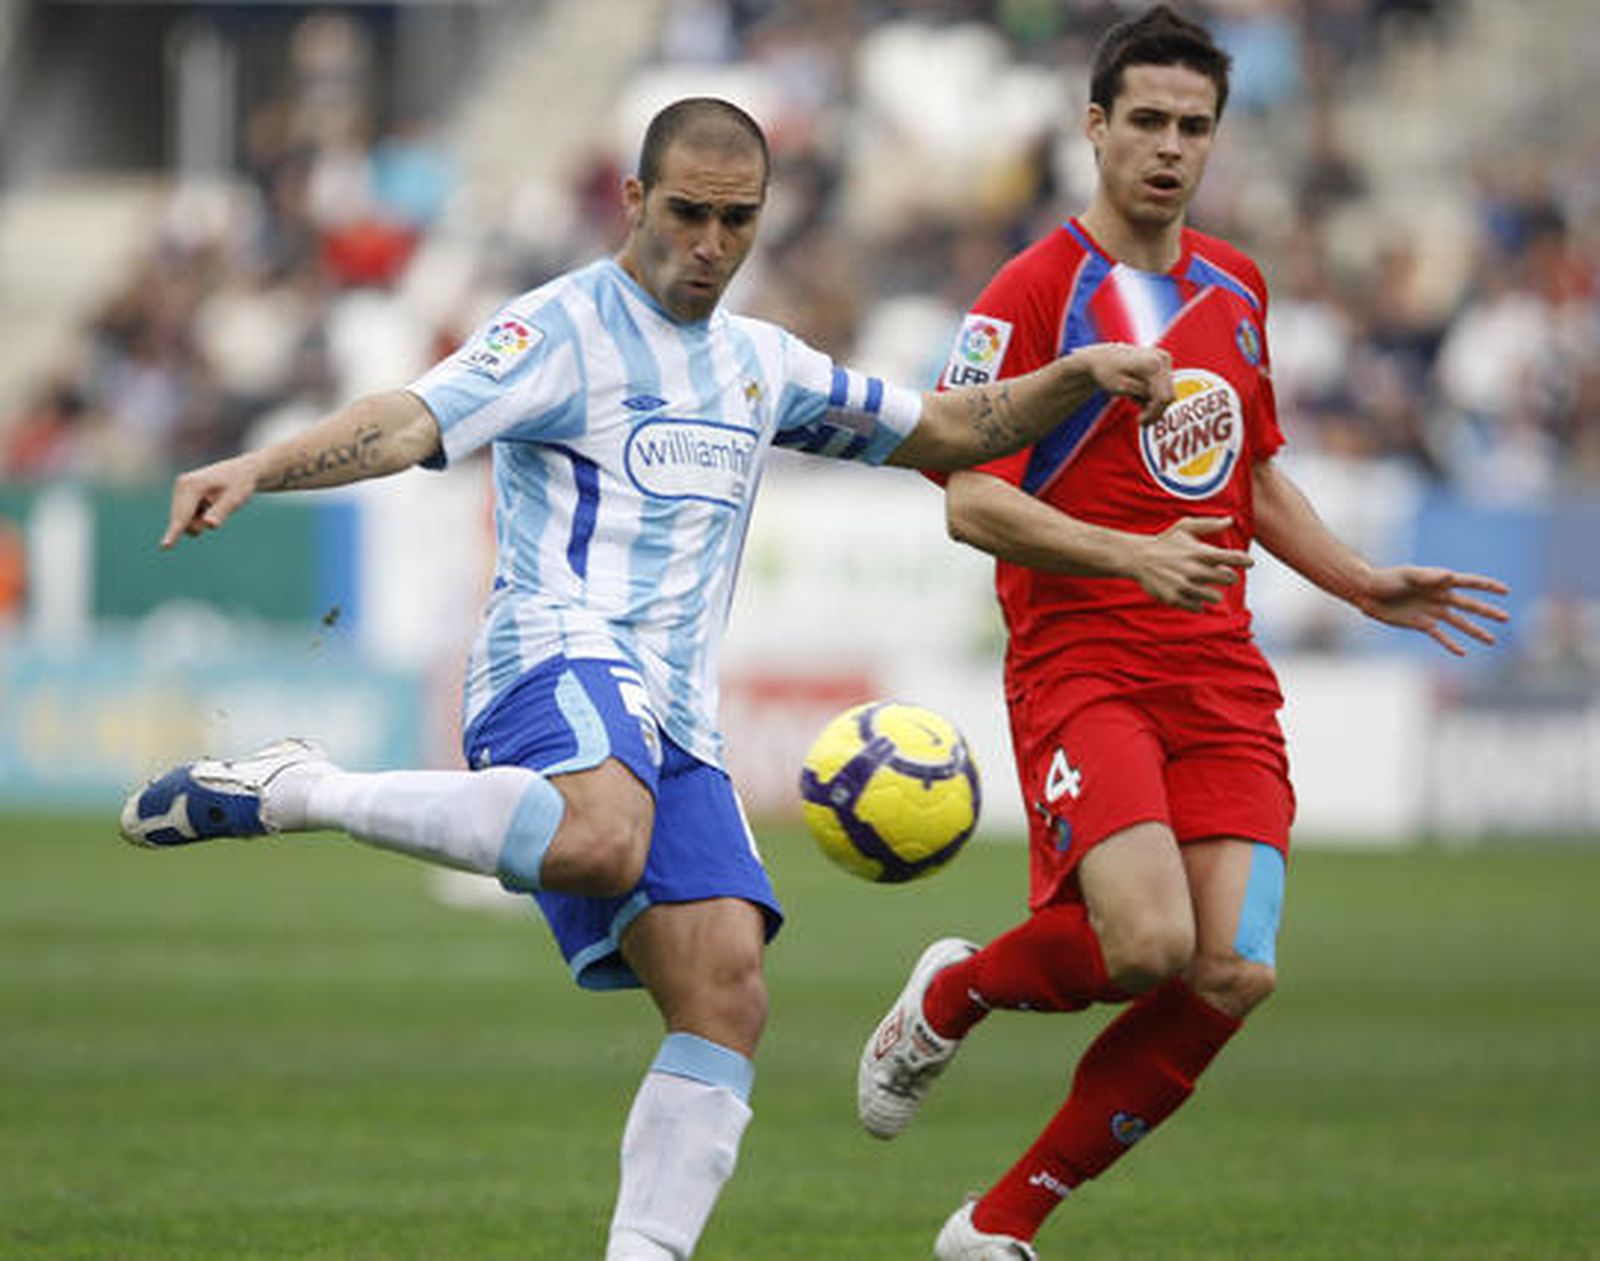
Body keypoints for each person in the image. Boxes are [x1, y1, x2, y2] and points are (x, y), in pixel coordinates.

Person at [119, 97, 1176, 1261]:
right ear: (633, 200)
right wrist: (262, 465)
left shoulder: (763, 365)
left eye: (737, 219)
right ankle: (300, 787)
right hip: (552, 654)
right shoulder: (564, 328)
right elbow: (415, 420)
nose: (710, 244)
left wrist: (1074, 373)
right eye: (686, 213)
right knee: (602, 835)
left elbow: (948, 428)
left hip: (676, 714)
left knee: (726, 990)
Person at [853, 11, 1510, 1260]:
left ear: (1216, 137)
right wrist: (1125, 554)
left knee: (1231, 970)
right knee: (1143, 942)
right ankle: (954, 990)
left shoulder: (1235, 285)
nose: (1167, 147)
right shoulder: (1031, 291)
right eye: (1143, 121)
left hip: (1216, 668)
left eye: (1191, 126)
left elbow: (1250, 472)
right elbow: (969, 498)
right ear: (1093, 128)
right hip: (1081, 654)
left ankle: (996, 1227)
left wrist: (1357, 579)